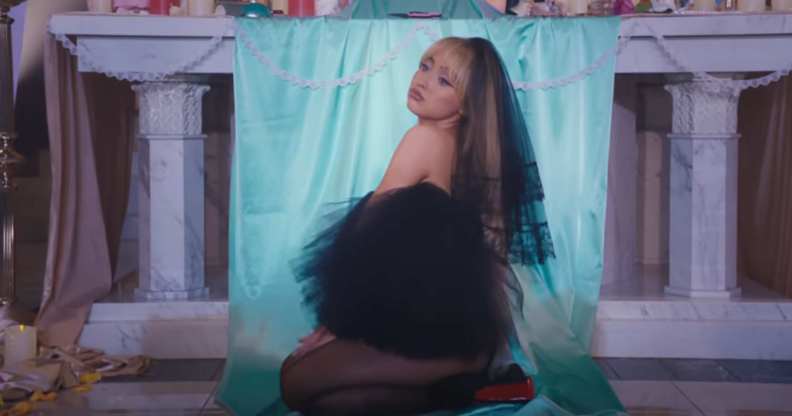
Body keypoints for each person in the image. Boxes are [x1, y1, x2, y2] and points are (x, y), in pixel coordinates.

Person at [279, 36, 554, 415]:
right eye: (425, 66)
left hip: (449, 342)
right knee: (334, 403)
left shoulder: (423, 138)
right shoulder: (472, 150)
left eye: (444, 80)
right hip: (462, 333)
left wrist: (333, 326)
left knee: (292, 380)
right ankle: (474, 383)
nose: (423, 81)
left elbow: (364, 237)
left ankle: (475, 375)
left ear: (466, 103)